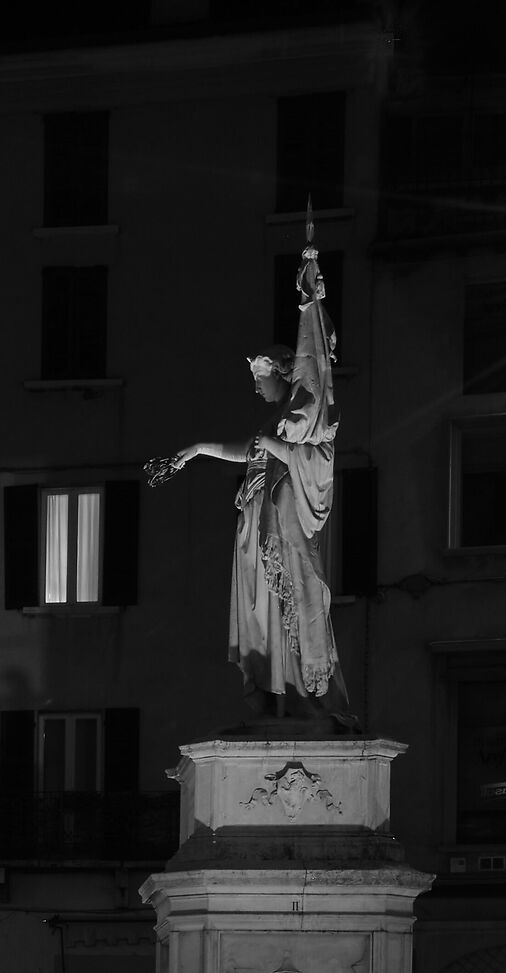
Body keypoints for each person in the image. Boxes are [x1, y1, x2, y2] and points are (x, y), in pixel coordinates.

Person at [148, 238, 348, 723]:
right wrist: (196, 450)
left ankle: (298, 692)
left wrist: (312, 307)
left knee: (289, 605)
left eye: (261, 375)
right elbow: (250, 452)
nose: (255, 384)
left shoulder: (299, 416)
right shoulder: (274, 422)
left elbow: (315, 457)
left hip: (282, 521)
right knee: (262, 615)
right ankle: (273, 694)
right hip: (256, 524)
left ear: (282, 373)